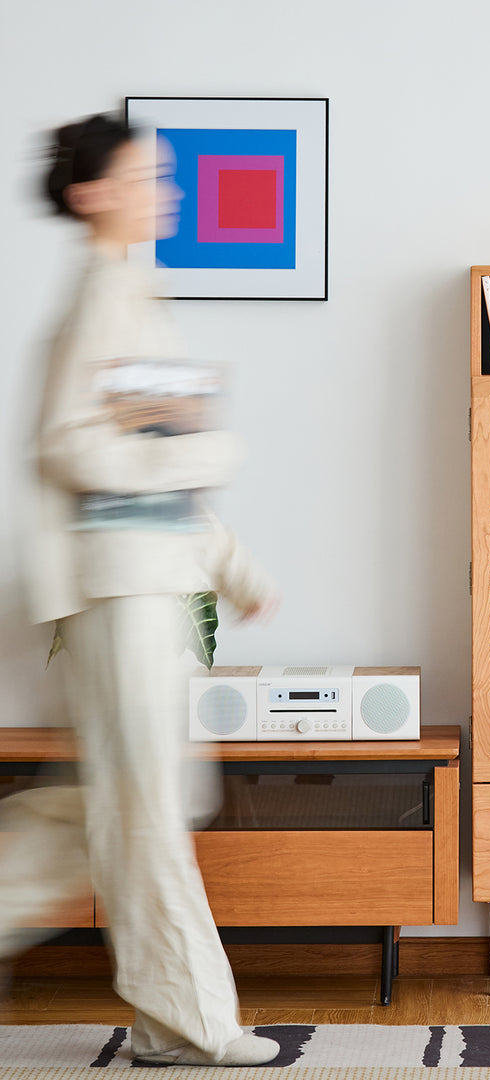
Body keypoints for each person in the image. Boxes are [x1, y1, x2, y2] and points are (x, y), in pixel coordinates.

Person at [0, 112, 281, 1067]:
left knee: (126, 803)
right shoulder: (102, 298)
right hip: (121, 592)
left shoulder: (132, 294)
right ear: (91, 194)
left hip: (146, 583)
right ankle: (195, 1021)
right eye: (147, 177)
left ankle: (167, 1022)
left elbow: (156, 466)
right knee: (145, 805)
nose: (169, 190)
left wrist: (235, 569)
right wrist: (211, 451)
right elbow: (67, 445)